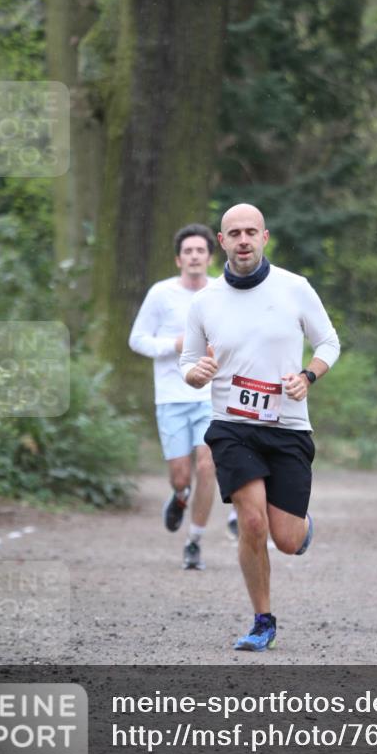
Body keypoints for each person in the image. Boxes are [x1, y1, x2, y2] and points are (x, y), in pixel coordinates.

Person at [180, 203, 340, 650]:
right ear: (222, 241)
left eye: (252, 231)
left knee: (285, 539)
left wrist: (308, 376)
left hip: (287, 425)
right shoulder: (205, 301)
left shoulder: (294, 288)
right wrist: (195, 374)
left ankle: (301, 528)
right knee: (252, 522)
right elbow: (189, 362)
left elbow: (329, 341)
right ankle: (262, 620)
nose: (244, 239)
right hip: (232, 425)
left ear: (265, 237)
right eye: (235, 233)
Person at [129, 223, 226, 570]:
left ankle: (194, 541)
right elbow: (137, 339)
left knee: (207, 464)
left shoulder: (221, 291)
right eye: (189, 251)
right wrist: (174, 345)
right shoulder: (161, 294)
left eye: (201, 250)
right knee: (181, 475)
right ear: (178, 259)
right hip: (171, 397)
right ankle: (180, 495)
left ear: (210, 257)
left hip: (210, 398)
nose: (195, 256)